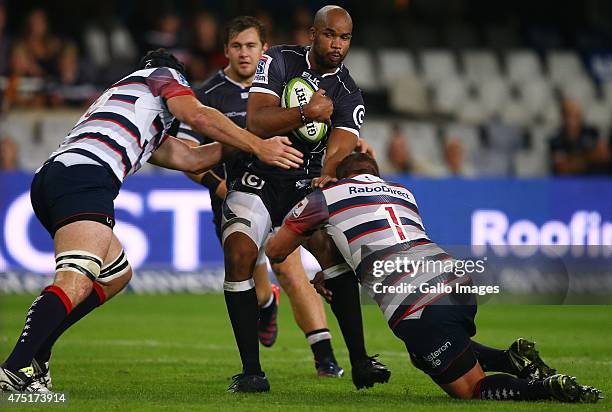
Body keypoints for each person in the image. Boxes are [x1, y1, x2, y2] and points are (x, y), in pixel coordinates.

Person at [0, 48, 303, 393]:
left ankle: (37, 356)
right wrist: (257, 143)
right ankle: (16, 366)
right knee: (75, 280)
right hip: (86, 176)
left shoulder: (132, 104)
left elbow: (190, 157)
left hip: (56, 177)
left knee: (115, 275)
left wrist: (251, 144)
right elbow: (200, 116)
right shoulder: (162, 76)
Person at [266, 152, 603, 404]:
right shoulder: (403, 192)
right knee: (424, 350)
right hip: (458, 281)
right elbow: (386, 244)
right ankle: (508, 358)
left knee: (470, 388)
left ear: (338, 177)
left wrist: (315, 239)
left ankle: (544, 388)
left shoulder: (326, 196)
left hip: (417, 303)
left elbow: (277, 250)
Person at [221, 5, 388, 393]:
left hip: (302, 184)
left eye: (345, 38)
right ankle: (251, 372)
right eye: (330, 35)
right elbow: (257, 120)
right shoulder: (278, 59)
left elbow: (341, 144)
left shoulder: (349, 91)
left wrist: (329, 172)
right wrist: (305, 112)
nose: (337, 44)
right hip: (258, 177)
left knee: (332, 253)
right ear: (313, 34)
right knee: (239, 254)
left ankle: (360, 361)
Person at [176, 16, 343, 378]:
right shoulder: (206, 96)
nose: (244, 53)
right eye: (236, 46)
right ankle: (265, 303)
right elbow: (188, 156)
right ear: (225, 51)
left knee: (290, 267)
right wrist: (219, 186)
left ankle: (325, 357)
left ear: (264, 50)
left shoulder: (287, 84)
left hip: (285, 189)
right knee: (248, 266)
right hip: (234, 194)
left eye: (251, 46)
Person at [549, 98, 610, 175]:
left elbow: (604, 155)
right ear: (562, 116)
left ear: (580, 115)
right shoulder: (556, 139)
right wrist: (590, 157)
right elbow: (562, 168)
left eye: (575, 115)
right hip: (567, 184)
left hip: (594, 180)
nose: (571, 119)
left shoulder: (591, 132)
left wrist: (574, 160)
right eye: (568, 115)